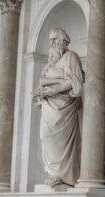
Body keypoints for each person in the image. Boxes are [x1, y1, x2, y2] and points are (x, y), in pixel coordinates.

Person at [33, 28, 85, 187]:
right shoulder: (51, 63)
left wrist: (54, 89)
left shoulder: (71, 57)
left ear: (64, 40)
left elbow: (75, 81)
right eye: (50, 40)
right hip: (49, 106)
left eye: (55, 39)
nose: (52, 43)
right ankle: (53, 172)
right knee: (45, 136)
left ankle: (63, 174)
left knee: (60, 140)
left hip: (64, 108)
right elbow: (43, 81)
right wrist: (40, 93)